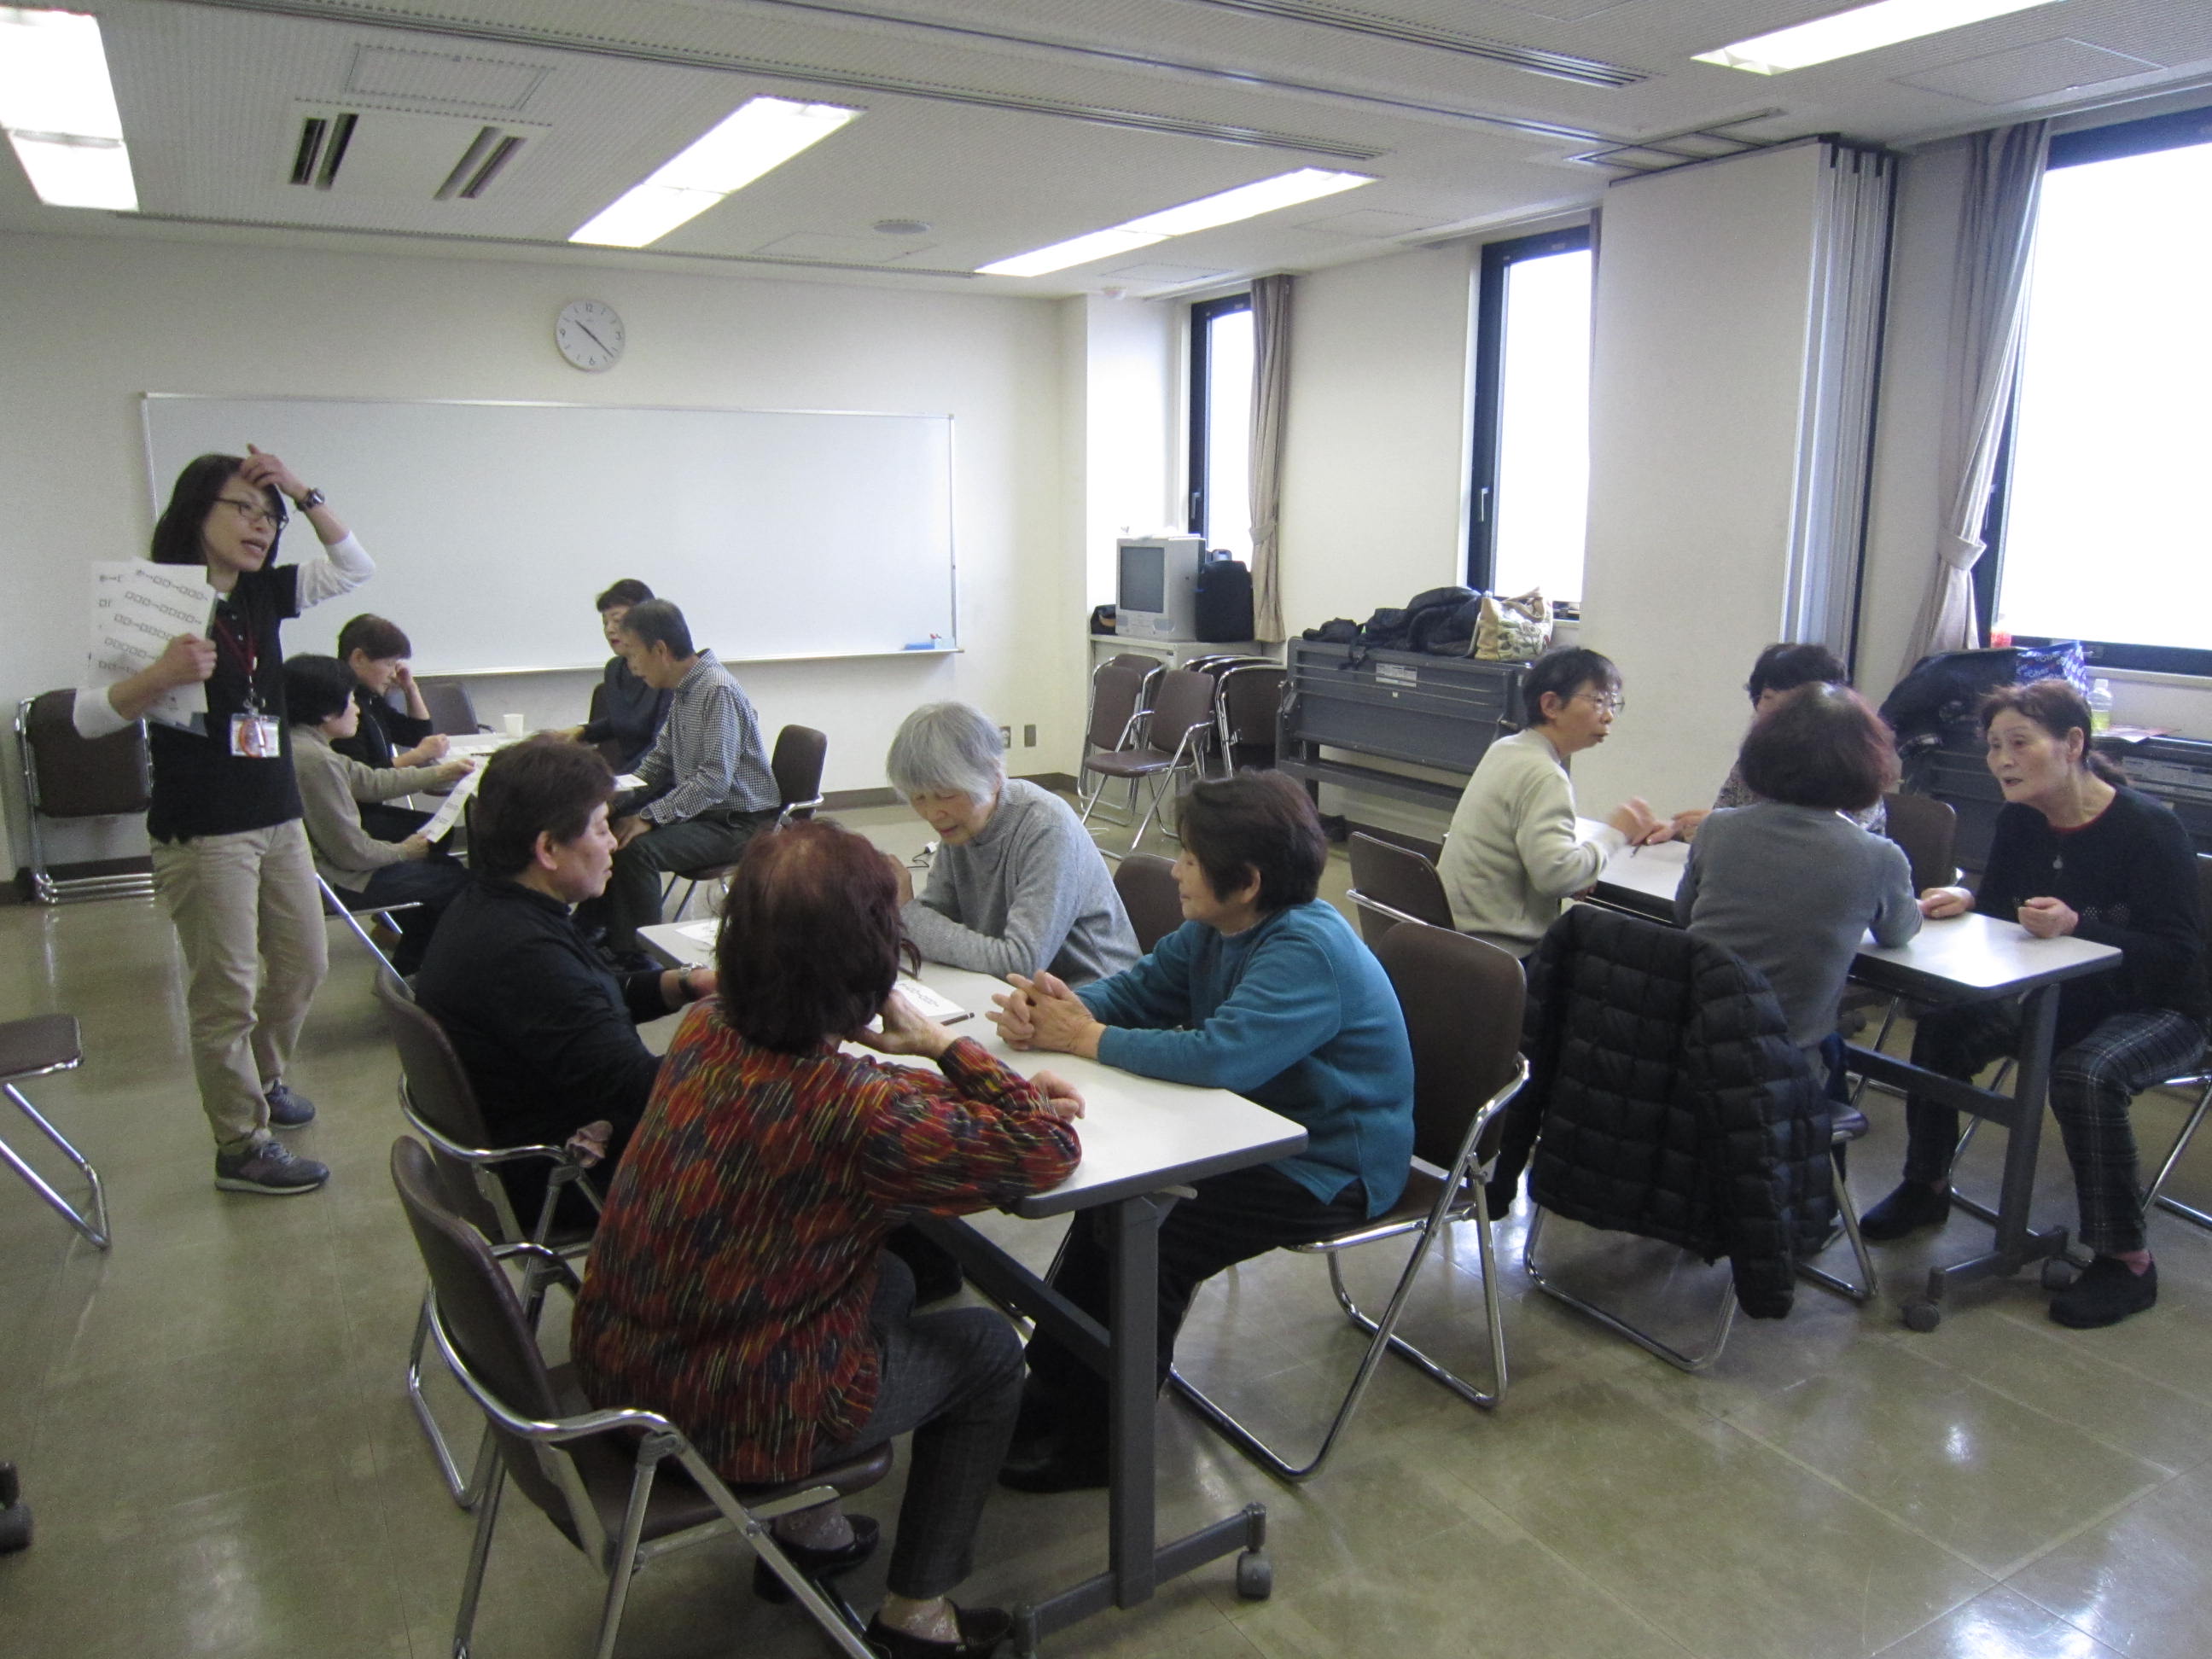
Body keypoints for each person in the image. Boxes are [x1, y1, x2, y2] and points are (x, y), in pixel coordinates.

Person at [572, 819, 1081, 1659]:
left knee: (893, 1281)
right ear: (874, 965)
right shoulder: (859, 1115)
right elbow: (1047, 1149)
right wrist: (953, 1050)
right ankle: (918, 1616)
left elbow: (850, 1088)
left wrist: (951, 1082)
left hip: (623, 1365)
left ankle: (806, 1529)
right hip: (723, 1413)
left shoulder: (706, 1029)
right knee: (991, 1348)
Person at [985, 771, 1415, 1493]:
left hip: (1330, 1165)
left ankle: (1105, 1440)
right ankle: (1055, 1387)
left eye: (1189, 858)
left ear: (1245, 882)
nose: (1176, 870)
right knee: (1111, 1208)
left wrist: (1083, 1037)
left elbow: (1221, 1056)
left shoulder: (1306, 949)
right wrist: (1064, 1008)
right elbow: (1139, 991)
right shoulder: (1218, 929)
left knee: (1157, 1234)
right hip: (1250, 1131)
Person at [1858, 681, 2209, 1330]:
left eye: (2019, 744)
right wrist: (1970, 900)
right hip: (2062, 994)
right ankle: (1926, 1185)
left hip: (2166, 1009)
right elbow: (2006, 904)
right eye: (1994, 746)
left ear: (2073, 744)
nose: (2002, 761)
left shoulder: (2148, 828)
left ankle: (2127, 1260)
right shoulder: (2020, 819)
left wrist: (2079, 926)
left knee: (2086, 1073)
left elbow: (2179, 955)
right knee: (1941, 1028)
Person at [73, 447, 370, 1195]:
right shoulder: (153, 598)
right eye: (243, 508)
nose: (261, 525)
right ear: (194, 512)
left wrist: (300, 490)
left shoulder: (263, 591)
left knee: (304, 963)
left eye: (269, 516)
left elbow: (354, 566)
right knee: (226, 993)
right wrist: (161, 676)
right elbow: (86, 718)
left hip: (277, 815)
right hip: (206, 831)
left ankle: (264, 1080)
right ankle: (241, 1144)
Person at [413, 736, 718, 1225]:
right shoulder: (524, 956)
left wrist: (686, 982)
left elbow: (588, 999)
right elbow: (646, 1092)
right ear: (549, 848)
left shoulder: (493, 906)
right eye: (600, 829)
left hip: (537, 1135)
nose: (613, 842)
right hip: (564, 1177)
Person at [1674, 684, 1921, 1091]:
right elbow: (1898, 933)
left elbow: (1685, 915)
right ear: (1867, 765)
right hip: (1788, 1065)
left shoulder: (1717, 828)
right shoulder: (1878, 856)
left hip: (1691, 1045)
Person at [886, 701, 1139, 987]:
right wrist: (891, 908)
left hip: (1096, 993)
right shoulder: (961, 826)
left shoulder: (1046, 827)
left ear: (994, 777)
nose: (933, 814)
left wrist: (908, 915)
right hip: (1022, 990)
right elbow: (935, 918)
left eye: (945, 795)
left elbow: (1021, 963)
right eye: (919, 798)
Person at [1436, 646, 1663, 958]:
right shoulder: (1545, 775)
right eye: (1598, 701)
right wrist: (1616, 834)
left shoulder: (1507, 748)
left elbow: (1551, 868)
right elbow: (1557, 878)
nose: (1609, 715)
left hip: (1452, 934)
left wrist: (1576, 870)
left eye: (1612, 703)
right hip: (1501, 953)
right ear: (1551, 705)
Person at [583, 598, 779, 954]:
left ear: (660, 651)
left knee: (637, 851)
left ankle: (638, 957)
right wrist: (612, 800)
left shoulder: (716, 689)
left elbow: (713, 780)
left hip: (739, 824)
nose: (631, 666)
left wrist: (648, 817)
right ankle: (596, 932)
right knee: (609, 830)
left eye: (633, 654)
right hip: (707, 815)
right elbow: (660, 761)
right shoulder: (685, 689)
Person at [282, 654, 474, 975]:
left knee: (446, 869)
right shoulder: (316, 761)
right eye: (350, 701)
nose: (358, 709)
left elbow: (370, 781)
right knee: (457, 881)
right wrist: (404, 851)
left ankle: (413, 962)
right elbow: (352, 852)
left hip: (336, 868)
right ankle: (413, 972)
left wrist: (440, 773)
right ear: (326, 711)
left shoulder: (304, 743)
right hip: (339, 880)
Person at [1665, 643, 1888, 843]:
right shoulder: (1757, 758)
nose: (1762, 708)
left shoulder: (1852, 766)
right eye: (1762, 697)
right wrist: (1681, 832)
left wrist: (1728, 829)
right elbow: (1724, 816)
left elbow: (1828, 845)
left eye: (1773, 698)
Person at [332, 613, 449, 841]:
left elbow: (416, 734)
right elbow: (363, 778)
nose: (393, 673)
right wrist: (418, 755)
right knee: (436, 834)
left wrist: (410, 689)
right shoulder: (342, 707)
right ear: (358, 658)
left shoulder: (370, 699)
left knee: (439, 832)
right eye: (388, 664)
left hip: (369, 807)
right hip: (352, 816)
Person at [568, 579, 672, 772]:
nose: (609, 629)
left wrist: (620, 782)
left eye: (617, 621)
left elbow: (663, 748)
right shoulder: (615, 669)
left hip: (659, 778)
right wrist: (581, 732)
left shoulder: (668, 671)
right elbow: (624, 722)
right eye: (605, 622)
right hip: (627, 775)